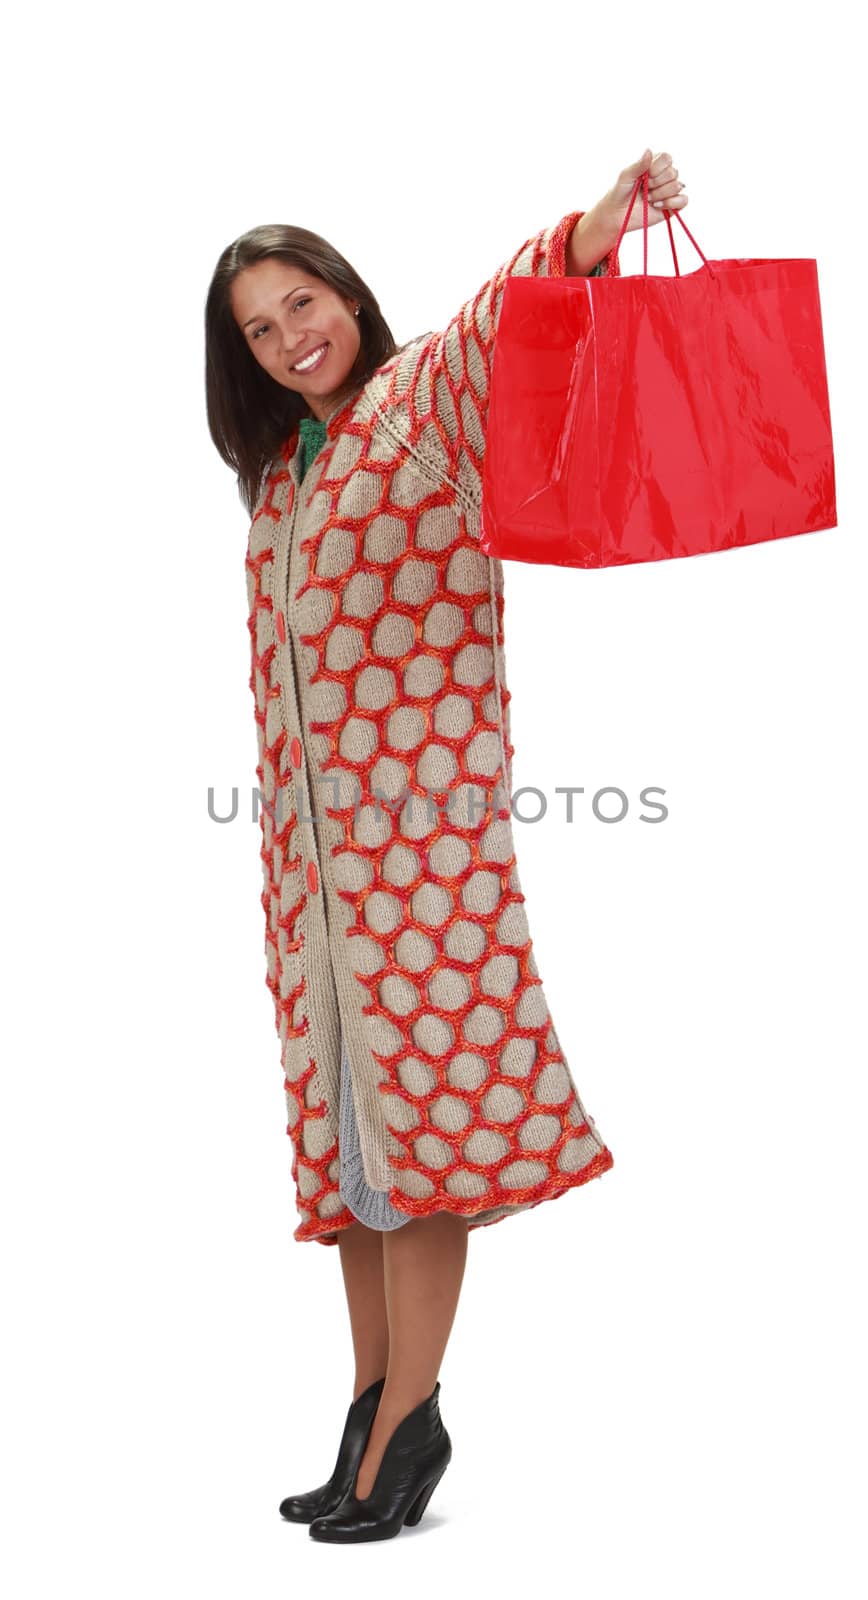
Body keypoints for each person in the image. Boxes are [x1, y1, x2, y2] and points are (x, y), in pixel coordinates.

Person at [204, 147, 688, 1544]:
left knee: (420, 1146)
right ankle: (364, 1406)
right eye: (260, 328)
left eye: (305, 302)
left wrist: (594, 227)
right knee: (355, 1160)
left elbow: (501, 316)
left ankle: (414, 1420)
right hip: (312, 879)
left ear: (346, 294)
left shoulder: (417, 405)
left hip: (427, 865)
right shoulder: (282, 482)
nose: (294, 335)